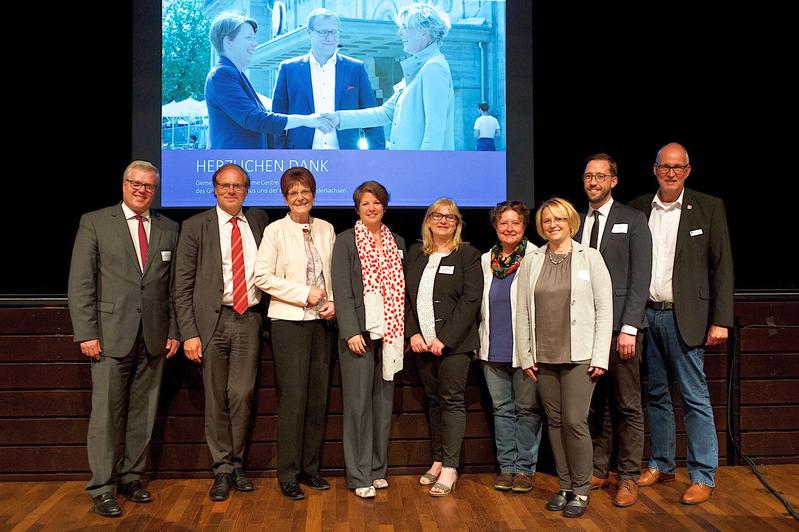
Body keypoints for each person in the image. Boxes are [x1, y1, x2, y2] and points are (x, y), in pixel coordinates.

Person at [67, 161, 180, 517]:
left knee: (142, 413)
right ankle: (102, 486)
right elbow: (81, 282)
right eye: (135, 183)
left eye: (148, 186)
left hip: (154, 337)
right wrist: (86, 332)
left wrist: (174, 331)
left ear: (155, 190)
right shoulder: (96, 222)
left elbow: (174, 288)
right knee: (105, 416)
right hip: (109, 337)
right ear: (124, 184)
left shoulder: (168, 228)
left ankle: (132, 477)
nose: (141, 190)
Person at [630, 142, 734, 505]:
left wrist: (721, 320)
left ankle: (703, 474)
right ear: (655, 169)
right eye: (665, 167)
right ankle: (661, 462)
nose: (671, 173)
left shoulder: (708, 207)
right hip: (647, 314)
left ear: (687, 171)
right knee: (656, 394)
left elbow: (722, 268)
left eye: (678, 167)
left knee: (694, 396)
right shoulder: (639, 208)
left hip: (685, 317)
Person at [174, 163, 268, 502]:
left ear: (246, 190)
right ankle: (222, 469)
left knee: (241, 395)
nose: (231, 191)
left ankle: (238, 463)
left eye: (238, 185)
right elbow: (181, 284)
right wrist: (189, 333)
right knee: (216, 399)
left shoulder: (259, 221)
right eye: (225, 185)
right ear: (214, 189)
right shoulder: (195, 225)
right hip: (210, 323)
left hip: (249, 319)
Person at [516, 197, 612, 518]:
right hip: (544, 355)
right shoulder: (532, 260)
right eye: (546, 221)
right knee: (554, 422)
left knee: (574, 420)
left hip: (580, 354)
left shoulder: (591, 258)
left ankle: (582, 491)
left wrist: (600, 355)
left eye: (558, 219)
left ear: (571, 222)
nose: (552, 225)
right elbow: (522, 313)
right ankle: (566, 486)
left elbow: (604, 310)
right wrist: (526, 355)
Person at [253, 167, 336, 500]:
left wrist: (333, 303)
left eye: (306, 191)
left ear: (314, 194)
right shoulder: (275, 231)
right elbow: (262, 277)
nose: (300, 197)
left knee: (318, 399)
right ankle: (287, 473)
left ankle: (310, 470)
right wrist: (304, 293)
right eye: (293, 193)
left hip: (323, 324)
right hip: (288, 323)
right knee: (293, 400)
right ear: (285, 198)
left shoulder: (327, 229)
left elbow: (334, 275)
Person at [578, 154, 652, 507]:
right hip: (585, 331)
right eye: (588, 176)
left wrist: (629, 327)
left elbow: (641, 280)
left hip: (620, 330)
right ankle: (598, 468)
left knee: (628, 406)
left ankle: (628, 477)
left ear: (614, 181)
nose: (593, 182)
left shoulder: (633, 219)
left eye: (600, 176)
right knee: (595, 405)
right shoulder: (576, 222)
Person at [331, 181, 406, 499]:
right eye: (365, 204)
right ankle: (358, 474)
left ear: (384, 206)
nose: (372, 208)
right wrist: (350, 331)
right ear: (357, 209)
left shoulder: (397, 241)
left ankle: (377, 469)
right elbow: (342, 289)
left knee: (382, 405)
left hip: (390, 334)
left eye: (377, 203)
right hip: (358, 334)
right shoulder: (346, 241)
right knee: (359, 406)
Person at [406, 198, 483, 496]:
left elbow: (470, 301)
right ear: (427, 221)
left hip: (454, 346)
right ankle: (438, 459)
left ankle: (451, 467)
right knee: (433, 401)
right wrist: (413, 332)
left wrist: (444, 339)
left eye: (450, 217)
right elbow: (406, 296)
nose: (443, 221)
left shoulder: (468, 255)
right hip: (421, 344)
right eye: (437, 216)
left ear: (458, 224)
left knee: (451, 402)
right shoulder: (416, 253)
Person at [477, 201, 543, 493]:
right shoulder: (483, 260)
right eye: (503, 222)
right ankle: (507, 468)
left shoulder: (537, 257)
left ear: (525, 226)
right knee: (502, 409)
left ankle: (525, 469)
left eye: (515, 222)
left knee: (527, 409)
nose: (509, 228)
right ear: (495, 226)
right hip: (492, 346)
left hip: (526, 349)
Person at [324, 3, 454, 150]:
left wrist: (423, 169)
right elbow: (385, 113)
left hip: (419, 168)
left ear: (424, 31)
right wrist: (338, 118)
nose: (400, 33)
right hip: (408, 166)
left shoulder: (433, 68)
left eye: (405, 27)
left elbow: (434, 131)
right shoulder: (421, 69)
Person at [204, 11, 334, 149]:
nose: (255, 44)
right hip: (234, 166)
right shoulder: (222, 74)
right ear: (227, 41)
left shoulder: (234, 74)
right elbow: (254, 119)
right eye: (248, 37)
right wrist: (307, 120)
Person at [271, 8, 385, 150]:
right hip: (299, 158)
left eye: (334, 32)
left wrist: (375, 160)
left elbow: (371, 117)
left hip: (347, 158)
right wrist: (280, 156)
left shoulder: (356, 68)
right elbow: (277, 120)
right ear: (309, 33)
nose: (330, 38)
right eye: (324, 32)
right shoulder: (289, 69)